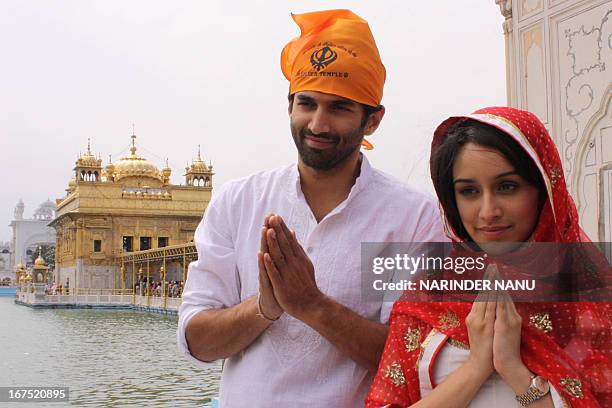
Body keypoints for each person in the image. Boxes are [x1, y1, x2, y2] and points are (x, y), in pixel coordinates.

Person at [177, 9, 447, 407]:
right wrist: (264, 307)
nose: (318, 124)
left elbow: (413, 359)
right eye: (307, 103)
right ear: (290, 107)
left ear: (372, 120)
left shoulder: (411, 218)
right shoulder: (239, 202)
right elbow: (197, 342)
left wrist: (312, 305)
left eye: (339, 108)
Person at [366, 106, 611, 407]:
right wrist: (476, 366)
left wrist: (513, 368)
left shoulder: (590, 299)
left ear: (545, 189)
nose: (488, 211)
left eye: (507, 187)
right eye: (469, 191)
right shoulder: (431, 293)